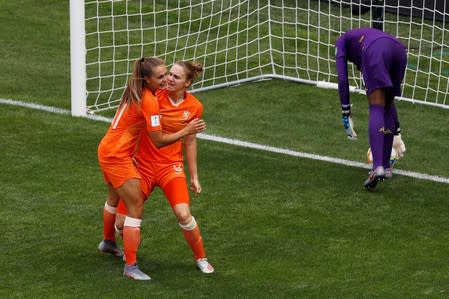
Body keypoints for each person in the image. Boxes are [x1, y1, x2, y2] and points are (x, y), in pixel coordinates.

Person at [97, 57, 206, 280]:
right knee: (135, 205)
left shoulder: (135, 89)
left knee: (115, 199)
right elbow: (157, 140)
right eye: (162, 76)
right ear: (147, 79)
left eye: (171, 75)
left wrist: (193, 175)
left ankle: (108, 242)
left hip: (114, 150)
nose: (166, 79)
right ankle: (131, 266)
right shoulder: (151, 100)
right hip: (118, 156)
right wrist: (186, 131)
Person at [335, 27, 406, 189]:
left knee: (376, 107)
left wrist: (346, 112)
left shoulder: (341, 42)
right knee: (386, 104)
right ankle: (386, 167)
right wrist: (397, 131)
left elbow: (342, 79)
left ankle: (377, 168)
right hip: (399, 50)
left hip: (376, 51)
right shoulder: (364, 35)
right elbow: (391, 104)